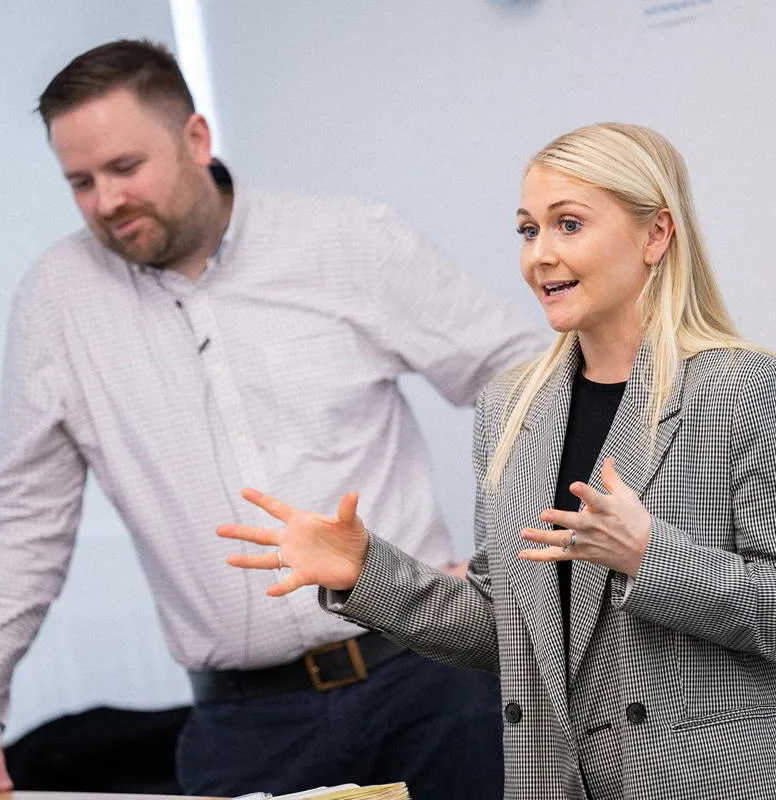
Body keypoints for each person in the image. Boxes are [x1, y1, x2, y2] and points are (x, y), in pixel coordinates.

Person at [0, 40, 546, 798]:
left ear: (196, 139)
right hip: (247, 732)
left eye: (124, 168)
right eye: (80, 182)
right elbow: (26, 522)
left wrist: (509, 565)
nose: (106, 201)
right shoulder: (56, 304)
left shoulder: (348, 242)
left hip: (431, 690)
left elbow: (533, 384)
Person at [219, 123, 776, 800]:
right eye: (527, 230)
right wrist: (369, 574)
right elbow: (505, 630)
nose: (540, 254)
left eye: (568, 225)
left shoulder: (742, 390)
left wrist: (650, 558)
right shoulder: (511, 406)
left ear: (656, 235)